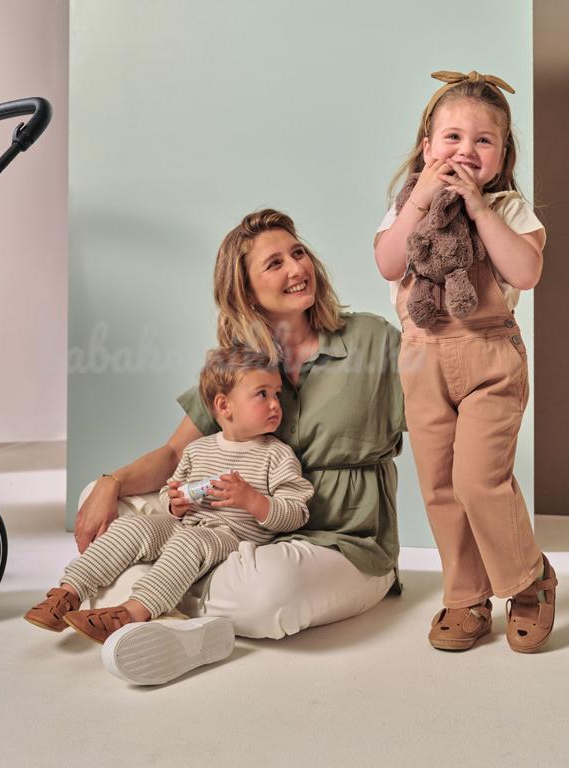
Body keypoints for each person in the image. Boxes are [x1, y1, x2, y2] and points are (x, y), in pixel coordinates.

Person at [73, 208, 405, 646]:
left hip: (341, 543)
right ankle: (164, 609)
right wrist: (109, 483)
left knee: (270, 591)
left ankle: (149, 601)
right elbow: (174, 454)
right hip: (243, 533)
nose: (297, 269)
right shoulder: (242, 363)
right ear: (245, 291)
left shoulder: (372, 338)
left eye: (298, 253)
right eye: (275, 263)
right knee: (102, 502)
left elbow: (438, 422)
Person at [374, 70, 558, 653]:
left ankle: (527, 580)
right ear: (427, 147)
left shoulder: (509, 209)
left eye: (484, 140)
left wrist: (479, 209)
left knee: (479, 481)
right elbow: (388, 263)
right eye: (452, 137)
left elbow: (525, 271)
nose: (466, 150)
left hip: (489, 360)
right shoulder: (407, 207)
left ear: (502, 156)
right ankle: (466, 595)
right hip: (422, 360)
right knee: (439, 485)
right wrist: (421, 200)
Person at [24, 346, 314, 647]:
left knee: (189, 543)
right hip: (185, 524)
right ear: (224, 405)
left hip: (230, 537)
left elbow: (296, 512)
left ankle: (131, 613)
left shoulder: (277, 456)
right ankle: (68, 593)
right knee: (132, 526)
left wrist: (253, 500)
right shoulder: (198, 449)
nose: (275, 404)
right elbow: (170, 490)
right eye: (262, 394)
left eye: (277, 394)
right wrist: (175, 504)